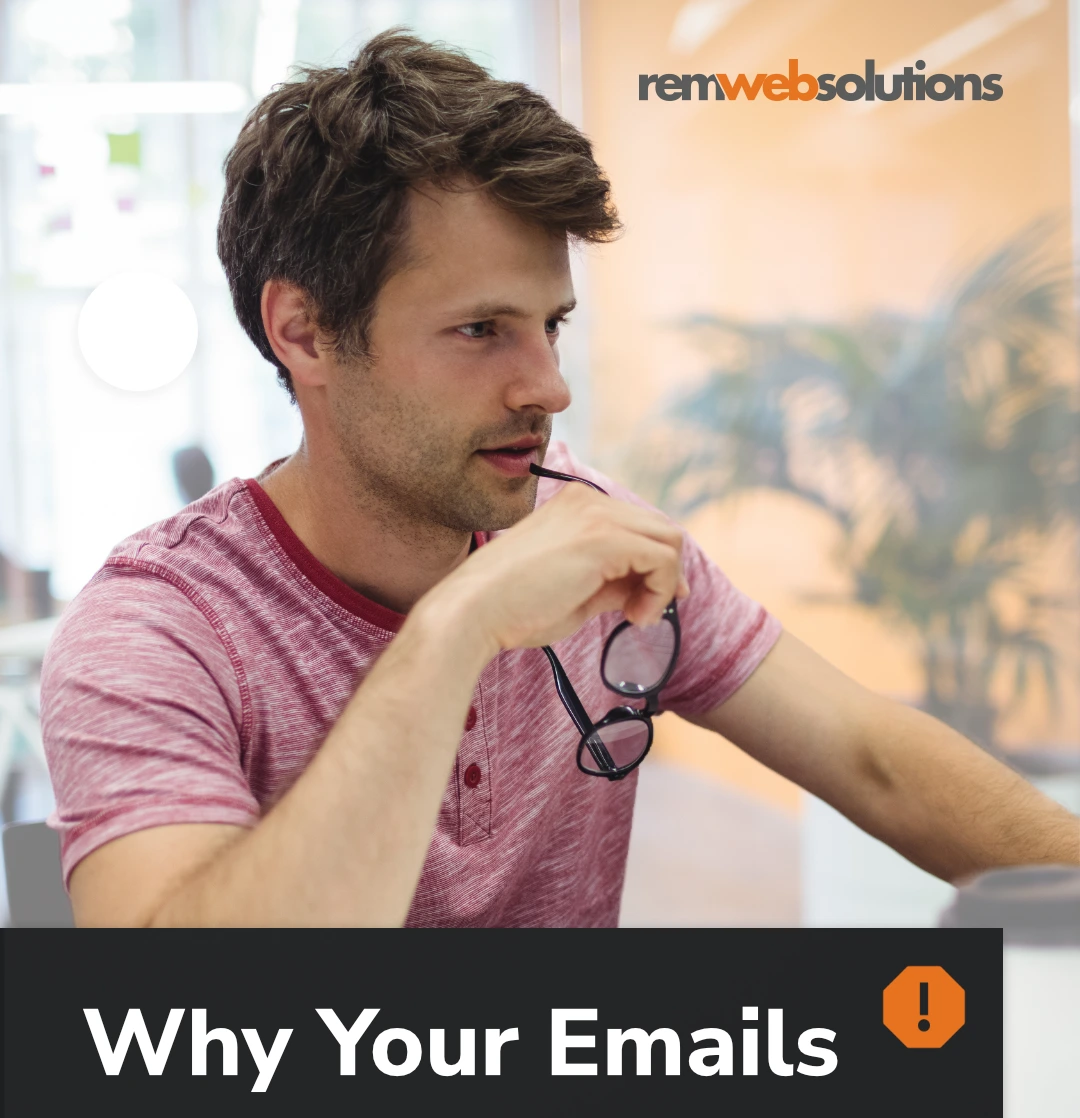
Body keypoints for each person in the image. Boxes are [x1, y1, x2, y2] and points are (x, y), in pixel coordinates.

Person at [40, 32, 1078, 928]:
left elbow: (868, 752)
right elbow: (174, 1016)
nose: (547, 386)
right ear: (305, 332)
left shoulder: (578, 523)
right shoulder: (156, 632)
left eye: (551, 326)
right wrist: (454, 634)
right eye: (480, 330)